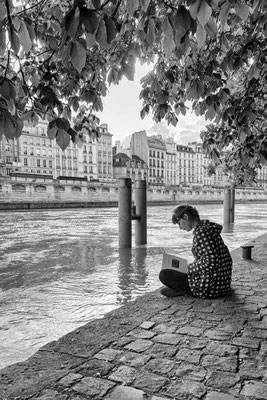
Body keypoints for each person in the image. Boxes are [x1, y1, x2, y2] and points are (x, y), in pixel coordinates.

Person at [159, 204, 232, 298]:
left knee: (164, 274)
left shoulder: (201, 233)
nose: (180, 227)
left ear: (185, 216)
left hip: (211, 288)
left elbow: (211, 261)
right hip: (223, 283)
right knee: (178, 272)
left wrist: (188, 268)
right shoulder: (208, 228)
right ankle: (181, 289)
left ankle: (183, 290)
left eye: (179, 223)